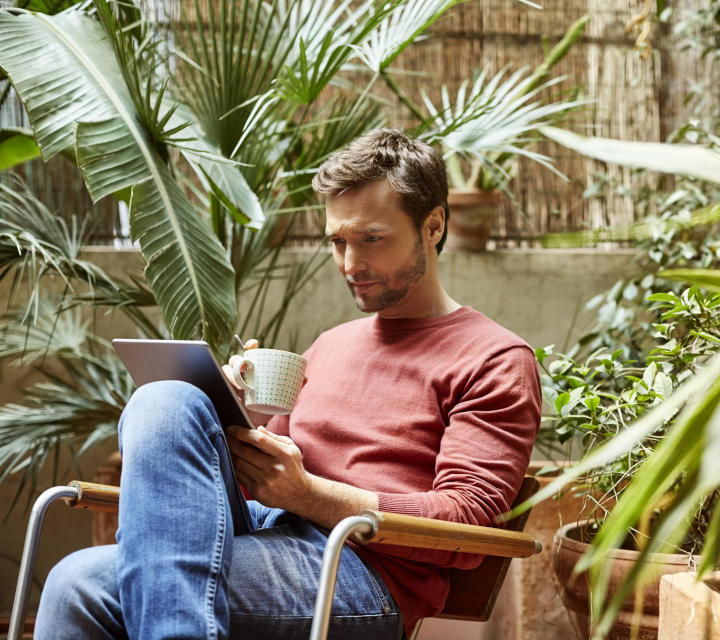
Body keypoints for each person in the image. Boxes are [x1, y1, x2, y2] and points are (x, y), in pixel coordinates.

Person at [33, 129, 542, 640]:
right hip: (264, 528)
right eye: (338, 242)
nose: (350, 265)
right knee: (167, 397)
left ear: (433, 226)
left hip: (359, 569)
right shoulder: (330, 344)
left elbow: (467, 525)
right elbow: (265, 476)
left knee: (81, 583)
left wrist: (308, 495)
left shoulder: (494, 359)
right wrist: (234, 417)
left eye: (371, 239)